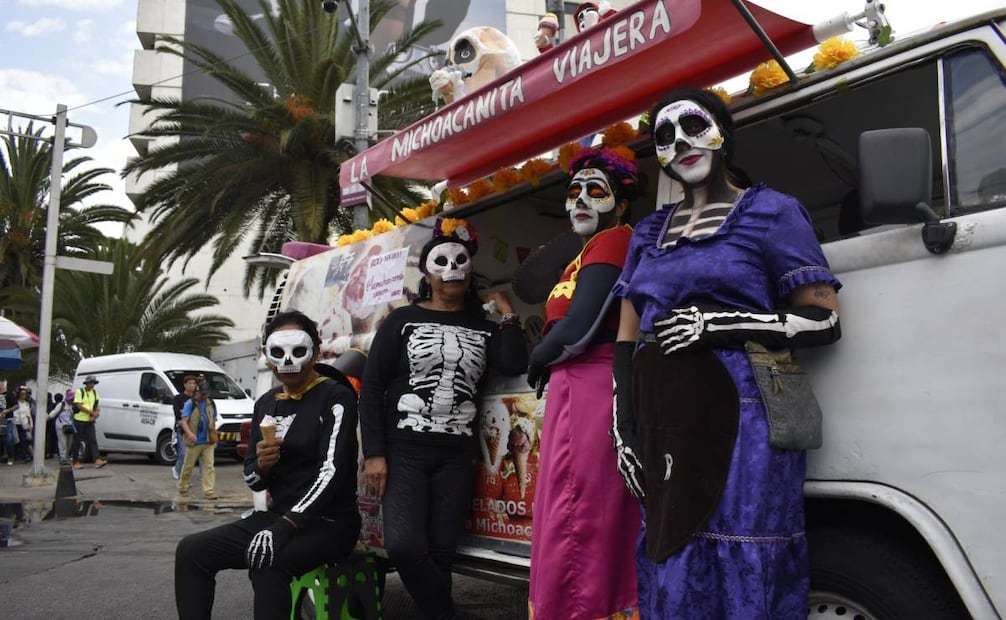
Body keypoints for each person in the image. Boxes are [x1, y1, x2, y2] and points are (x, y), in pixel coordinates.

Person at [611, 88, 842, 618]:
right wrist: (622, 426)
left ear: (722, 133)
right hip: (663, 421)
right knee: (672, 547)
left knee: (745, 546)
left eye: (693, 126)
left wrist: (719, 324)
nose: (681, 142)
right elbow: (627, 338)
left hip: (747, 420)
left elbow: (824, 318)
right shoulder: (648, 232)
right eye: (665, 136)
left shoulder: (772, 212)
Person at [360, 218, 527, 620]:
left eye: (460, 261)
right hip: (405, 451)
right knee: (403, 546)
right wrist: (376, 454)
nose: (451, 270)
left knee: (441, 552)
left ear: (469, 271)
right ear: (428, 274)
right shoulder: (401, 321)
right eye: (442, 262)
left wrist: (507, 314)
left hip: (457, 453)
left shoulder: (483, 327)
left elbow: (513, 362)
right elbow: (372, 387)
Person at [175, 311, 361, 620]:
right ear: (267, 354)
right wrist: (262, 465)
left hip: (330, 524)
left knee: (268, 560)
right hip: (275, 519)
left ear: (315, 352)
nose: (288, 361)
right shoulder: (266, 402)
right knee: (192, 551)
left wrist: (285, 527)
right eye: (278, 351)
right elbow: (252, 478)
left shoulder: (336, 397)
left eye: (298, 350)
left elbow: (333, 472)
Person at [525, 146, 641, 619]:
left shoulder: (614, 241)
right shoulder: (583, 254)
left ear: (621, 202)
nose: (581, 201)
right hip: (574, 388)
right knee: (570, 508)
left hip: (591, 388)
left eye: (596, 192)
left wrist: (538, 358)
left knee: (581, 513)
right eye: (574, 192)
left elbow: (579, 326)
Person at [177, 381, 218, 499]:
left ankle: (209, 491)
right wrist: (189, 434)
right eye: (201, 394)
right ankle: (182, 486)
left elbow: (213, 419)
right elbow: (184, 421)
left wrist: (213, 433)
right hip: (194, 442)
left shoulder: (212, 404)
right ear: (197, 392)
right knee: (188, 467)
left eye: (206, 394)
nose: (204, 396)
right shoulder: (190, 404)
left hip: (208, 442)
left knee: (209, 466)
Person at [71, 375, 107, 469]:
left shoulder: (94, 393)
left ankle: (97, 459)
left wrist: (96, 413)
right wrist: (91, 412)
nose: (92, 385)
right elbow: (78, 405)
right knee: (77, 441)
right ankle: (75, 461)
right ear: (86, 383)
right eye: (91, 383)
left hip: (89, 420)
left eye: (94, 383)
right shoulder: (80, 391)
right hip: (79, 419)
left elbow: (96, 404)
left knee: (93, 439)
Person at [172, 375, 199, 480]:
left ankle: (185, 477)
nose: (192, 385)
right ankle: (177, 470)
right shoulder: (178, 398)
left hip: (194, 428)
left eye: (194, 383)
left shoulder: (196, 399)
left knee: (192, 455)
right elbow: (179, 413)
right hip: (181, 428)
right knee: (182, 453)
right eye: (190, 383)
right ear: (185, 384)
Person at [47, 390, 75, 466]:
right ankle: (62, 458)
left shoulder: (73, 406)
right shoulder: (61, 405)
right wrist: (47, 418)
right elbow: (53, 413)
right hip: (61, 426)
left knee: (69, 443)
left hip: (70, 426)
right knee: (62, 442)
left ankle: (66, 457)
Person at [12, 387, 35, 464]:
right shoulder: (16, 403)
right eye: (22, 394)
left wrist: (31, 425)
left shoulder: (27, 404)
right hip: (17, 423)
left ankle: (26, 456)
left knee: (25, 440)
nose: (23, 395)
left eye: (25, 394)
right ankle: (16, 455)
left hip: (25, 424)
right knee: (17, 440)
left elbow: (29, 415)